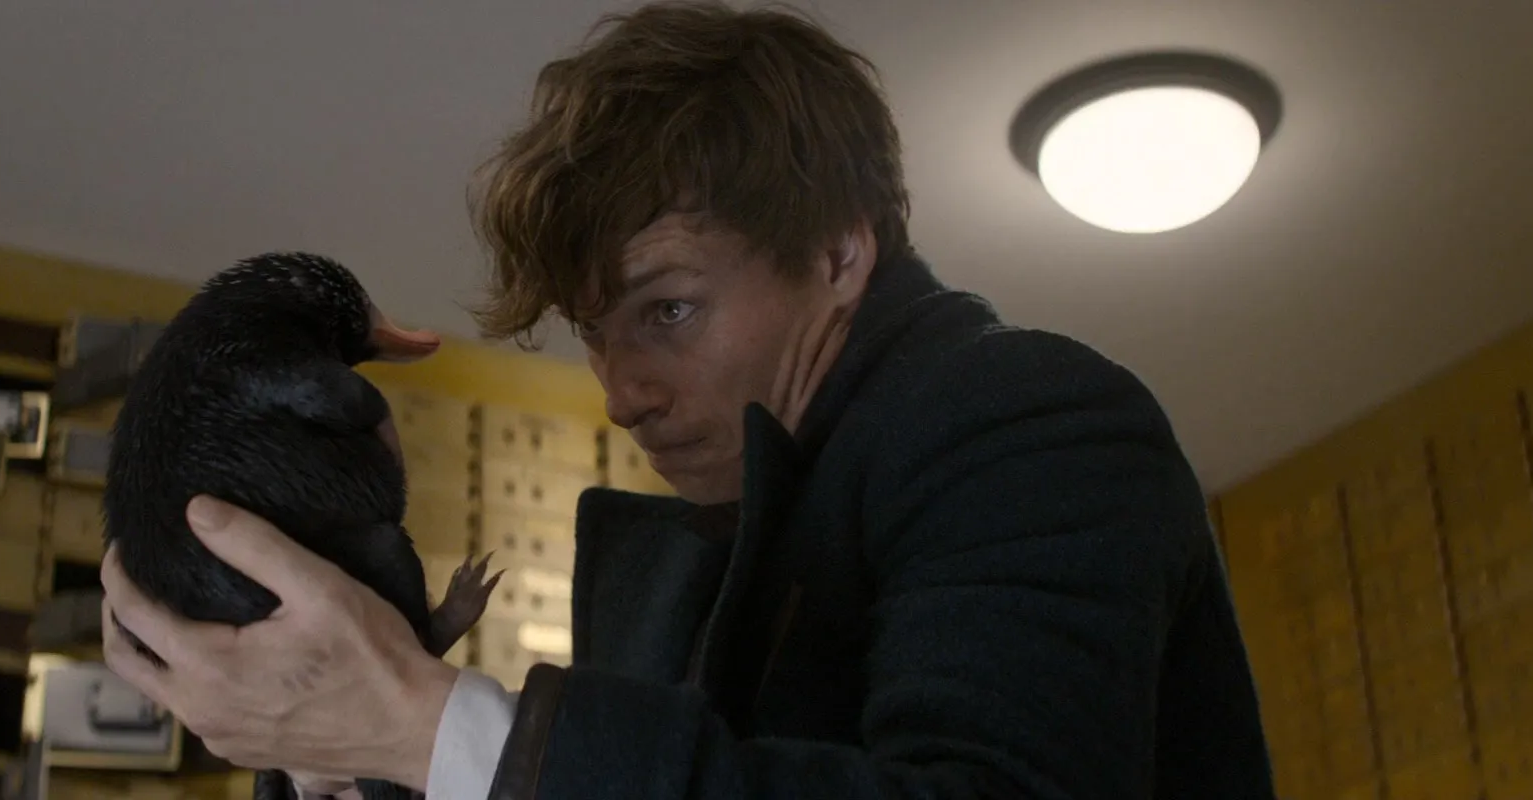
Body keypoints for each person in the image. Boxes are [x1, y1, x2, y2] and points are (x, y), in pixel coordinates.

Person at [97, 2, 1278, 798]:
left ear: (838, 253)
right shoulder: (708, 559)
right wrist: (341, 754)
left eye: (667, 309)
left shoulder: (1029, 417)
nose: (621, 393)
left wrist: (424, 722)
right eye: (594, 335)